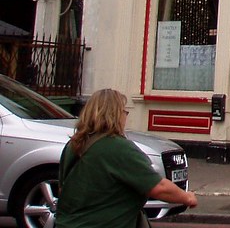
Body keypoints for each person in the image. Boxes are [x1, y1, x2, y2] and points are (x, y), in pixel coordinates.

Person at [56, 88, 198, 228]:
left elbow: (63, 190)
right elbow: (158, 187)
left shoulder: (73, 145)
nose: (125, 117)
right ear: (115, 115)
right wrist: (187, 197)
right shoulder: (118, 148)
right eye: (124, 112)